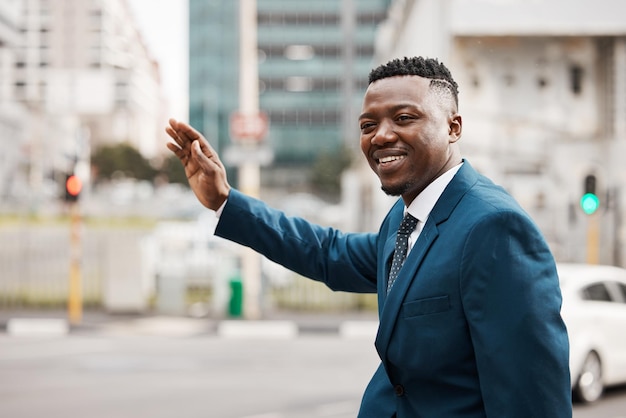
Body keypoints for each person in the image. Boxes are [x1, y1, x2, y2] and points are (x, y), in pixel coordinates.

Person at [166, 56, 571, 417]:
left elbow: (533, 399)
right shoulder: (405, 217)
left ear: (453, 127)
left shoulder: (494, 228)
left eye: (404, 118)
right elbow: (327, 252)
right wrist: (226, 201)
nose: (380, 136)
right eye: (368, 125)